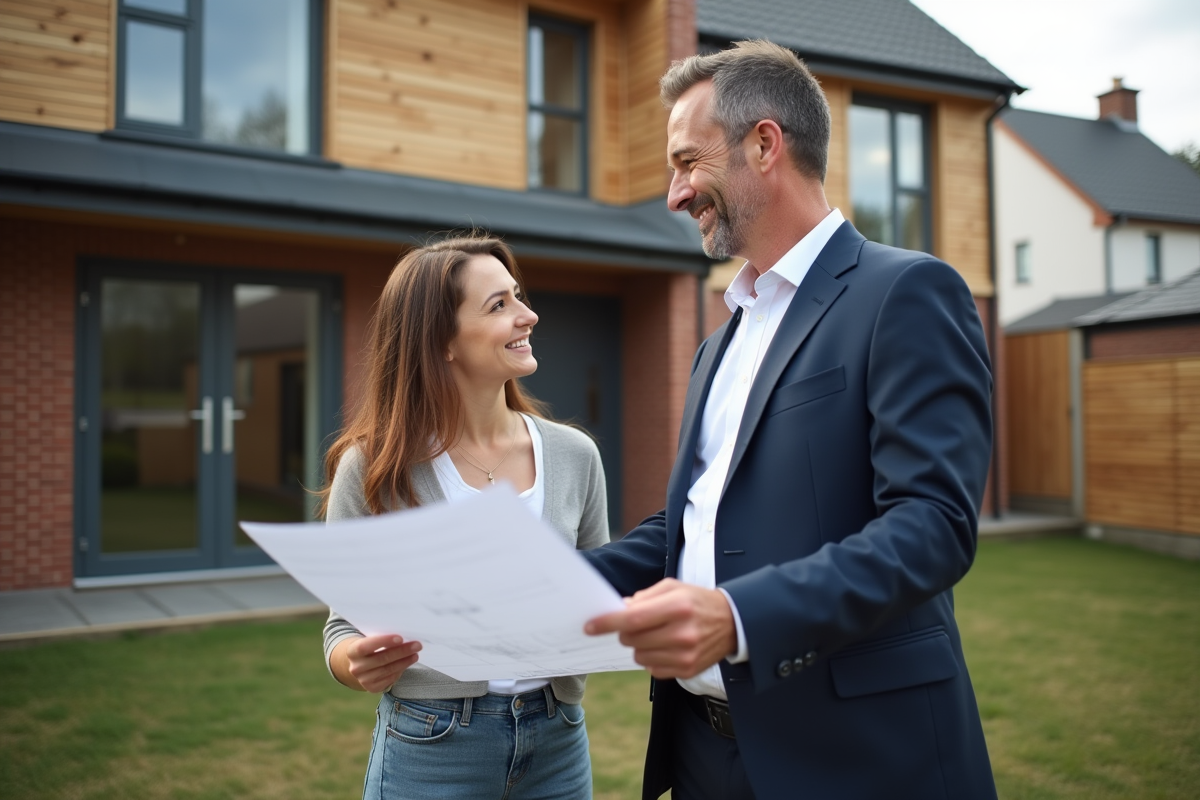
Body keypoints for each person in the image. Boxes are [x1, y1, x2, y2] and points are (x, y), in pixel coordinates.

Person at [581, 40, 997, 800]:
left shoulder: (907, 293)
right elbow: (692, 521)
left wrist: (740, 615)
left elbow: (933, 525)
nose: (674, 194)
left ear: (764, 144)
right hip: (702, 758)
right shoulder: (719, 340)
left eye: (686, 162)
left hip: (859, 760)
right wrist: (546, 586)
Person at [319, 234, 609, 800]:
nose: (528, 315)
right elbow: (341, 629)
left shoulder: (576, 455)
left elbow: (605, 588)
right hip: (433, 748)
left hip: (558, 740)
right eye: (499, 305)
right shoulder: (376, 469)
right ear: (442, 341)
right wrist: (354, 662)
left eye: (518, 296)